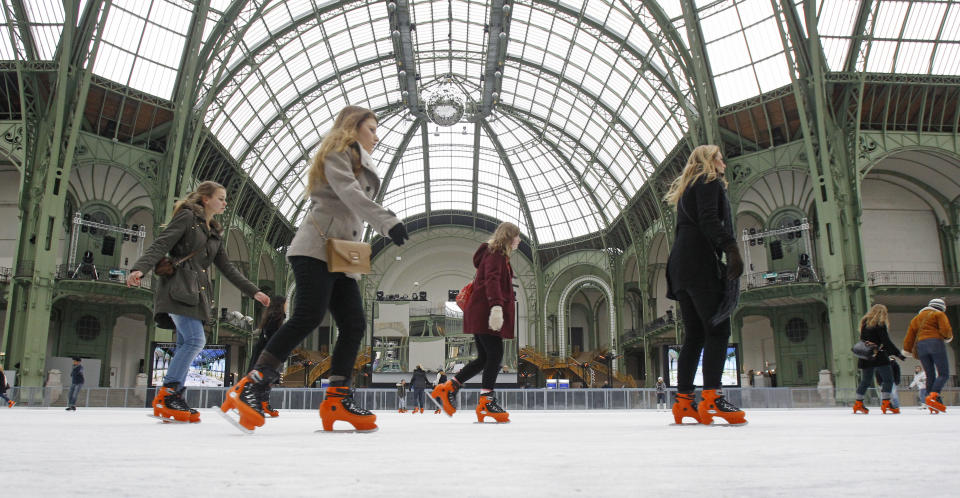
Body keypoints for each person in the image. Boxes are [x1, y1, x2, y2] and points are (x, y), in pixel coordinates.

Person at [221, 106, 408, 433]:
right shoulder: (337, 153)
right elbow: (349, 194)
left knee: (353, 323)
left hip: (340, 256)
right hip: (314, 250)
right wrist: (387, 222)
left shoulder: (359, 160)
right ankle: (252, 384)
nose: (377, 137)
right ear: (354, 127)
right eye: (372, 129)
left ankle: (336, 397)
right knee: (308, 314)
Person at [127, 180, 270, 423]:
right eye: (221, 198)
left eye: (225, 199)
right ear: (206, 199)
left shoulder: (214, 232)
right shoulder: (186, 218)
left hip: (197, 293)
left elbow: (227, 267)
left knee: (186, 342)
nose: (225, 203)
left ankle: (175, 398)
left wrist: (254, 291)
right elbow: (162, 243)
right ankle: (168, 393)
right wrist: (140, 269)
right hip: (178, 288)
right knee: (195, 340)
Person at [663, 145, 745, 425]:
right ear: (710, 161)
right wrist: (731, 247)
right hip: (699, 263)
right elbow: (709, 220)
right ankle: (712, 397)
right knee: (718, 328)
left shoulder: (687, 189)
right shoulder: (708, 181)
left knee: (695, 335)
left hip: (679, 265)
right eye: (720, 158)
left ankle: (684, 402)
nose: (724, 162)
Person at [431, 222, 519, 424]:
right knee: (495, 355)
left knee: (484, 358)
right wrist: (496, 307)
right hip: (486, 312)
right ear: (509, 237)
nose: (519, 240)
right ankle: (486, 401)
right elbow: (492, 280)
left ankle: (448, 388)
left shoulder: (494, 255)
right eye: (517, 236)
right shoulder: (496, 254)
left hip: (481, 311)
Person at [902, 298, 953, 413]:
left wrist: (907, 350)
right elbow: (945, 330)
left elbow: (910, 336)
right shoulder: (938, 314)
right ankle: (934, 396)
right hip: (935, 343)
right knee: (943, 373)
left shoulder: (916, 319)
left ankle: (932, 403)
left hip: (921, 346)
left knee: (930, 374)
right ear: (941, 307)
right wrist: (948, 337)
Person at [852, 304, 904, 415]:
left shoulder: (864, 323)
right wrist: (898, 353)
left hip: (866, 355)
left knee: (865, 380)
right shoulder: (880, 324)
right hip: (878, 355)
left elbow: (864, 340)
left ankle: (858, 403)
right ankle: (886, 403)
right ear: (882, 313)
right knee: (888, 379)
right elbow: (886, 341)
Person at [245, 296, 287, 418]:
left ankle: (263, 403)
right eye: (285, 303)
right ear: (281, 305)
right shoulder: (276, 318)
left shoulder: (272, 317)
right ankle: (258, 403)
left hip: (265, 351)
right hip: (267, 353)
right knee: (264, 378)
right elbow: (272, 336)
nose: (287, 306)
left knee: (267, 379)